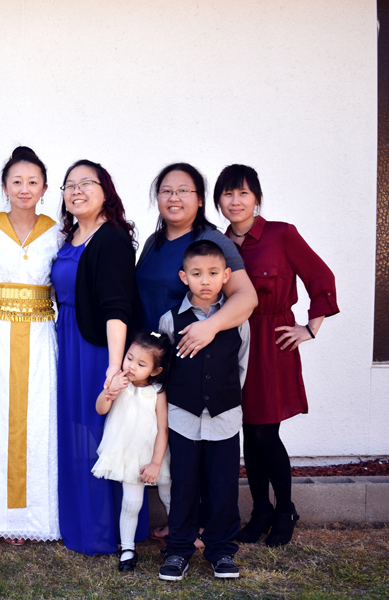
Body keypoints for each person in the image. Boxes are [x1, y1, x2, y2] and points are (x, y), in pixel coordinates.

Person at [215, 164, 338, 546]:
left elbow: (321, 277)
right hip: (234, 344)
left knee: (265, 432)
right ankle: (260, 511)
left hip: (271, 343)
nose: (235, 201)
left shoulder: (281, 234)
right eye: (228, 194)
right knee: (248, 433)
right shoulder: (218, 243)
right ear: (218, 200)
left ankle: (285, 510)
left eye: (243, 193)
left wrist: (310, 328)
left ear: (257, 198)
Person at [135, 162, 258, 544]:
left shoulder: (211, 240)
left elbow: (246, 297)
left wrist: (210, 326)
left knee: (200, 446)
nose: (174, 198)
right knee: (174, 444)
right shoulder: (154, 242)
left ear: (200, 199)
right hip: (157, 360)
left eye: (183, 190)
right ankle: (182, 522)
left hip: (196, 358)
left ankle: (203, 526)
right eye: (166, 191)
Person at [0, 147, 60, 544]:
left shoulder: (58, 232)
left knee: (38, 416)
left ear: (45, 188)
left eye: (32, 181)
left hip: (40, 335)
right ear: (4, 187)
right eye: (16, 181)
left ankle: (33, 517)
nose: (24, 188)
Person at [50, 159, 138, 555]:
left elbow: (117, 306)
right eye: (70, 185)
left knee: (100, 433)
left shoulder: (111, 238)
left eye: (87, 183)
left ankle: (104, 530)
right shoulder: (68, 237)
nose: (77, 190)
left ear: (106, 192)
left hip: (97, 346)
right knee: (77, 431)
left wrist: (114, 366)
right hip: (68, 340)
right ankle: (81, 522)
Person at [157, 240, 249, 582]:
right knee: (183, 485)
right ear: (184, 277)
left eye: (213, 273)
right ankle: (178, 550)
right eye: (197, 274)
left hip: (225, 418)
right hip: (183, 418)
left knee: (223, 486)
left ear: (226, 275)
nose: (205, 280)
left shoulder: (237, 321)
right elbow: (165, 370)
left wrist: (228, 400)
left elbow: (242, 366)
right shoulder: (170, 320)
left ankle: (221, 550)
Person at [93, 331, 172, 572]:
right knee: (131, 503)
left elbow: (163, 429)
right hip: (128, 455)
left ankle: (177, 542)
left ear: (155, 371)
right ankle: (127, 549)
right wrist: (111, 389)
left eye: (141, 364)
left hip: (155, 455)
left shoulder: (157, 391)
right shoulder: (119, 382)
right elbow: (100, 409)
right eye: (129, 358)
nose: (131, 366)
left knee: (169, 497)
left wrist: (156, 463)